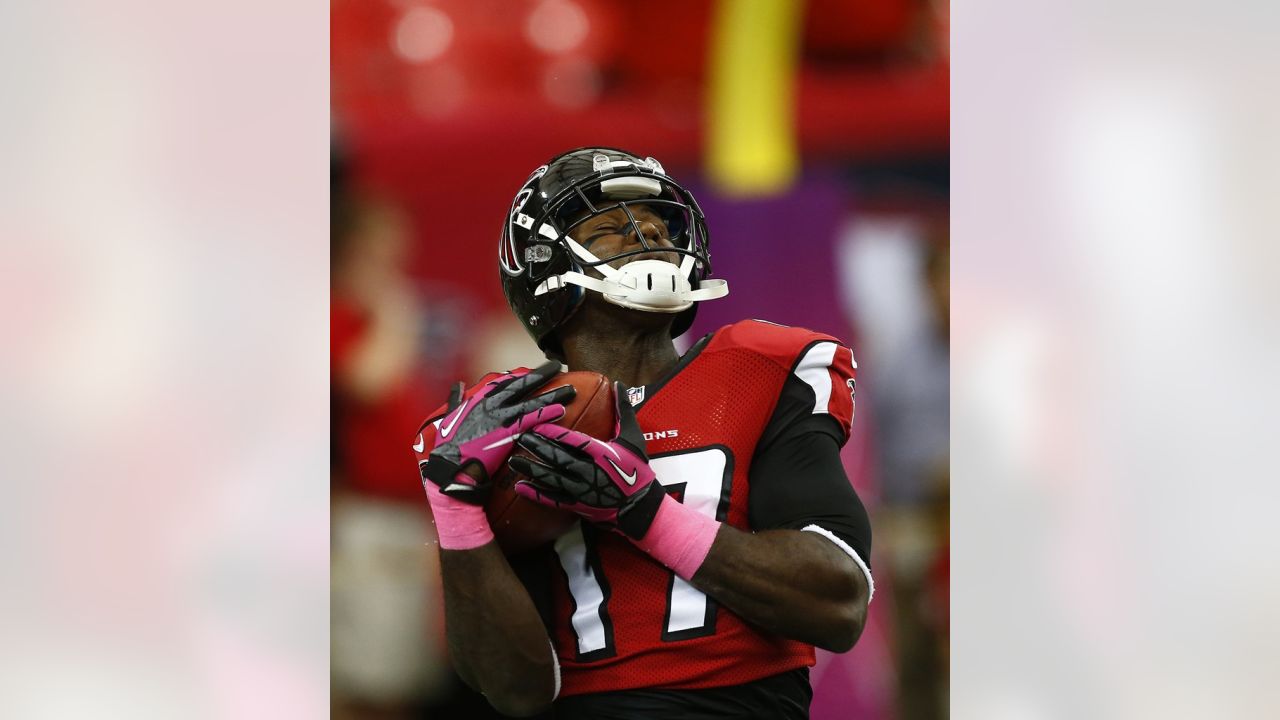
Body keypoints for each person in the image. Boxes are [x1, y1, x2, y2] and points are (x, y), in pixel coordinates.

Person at [412, 147, 873, 719]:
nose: (649, 233)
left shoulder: (760, 368)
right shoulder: (515, 418)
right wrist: (456, 509)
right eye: (611, 227)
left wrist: (645, 514)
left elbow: (839, 604)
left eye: (658, 222)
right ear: (542, 267)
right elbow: (514, 688)